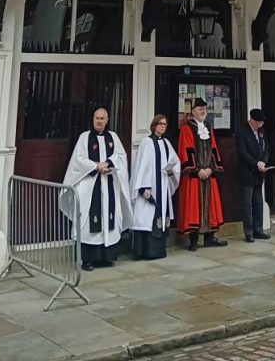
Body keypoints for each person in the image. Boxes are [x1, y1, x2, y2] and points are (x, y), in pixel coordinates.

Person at [62, 107, 133, 272]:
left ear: (107, 120)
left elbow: (121, 156)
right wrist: (95, 166)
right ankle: (87, 259)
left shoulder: (113, 137)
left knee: (108, 218)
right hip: (90, 184)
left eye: (102, 118)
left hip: (108, 183)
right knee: (88, 220)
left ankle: (106, 257)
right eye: (96, 118)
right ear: (93, 119)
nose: (99, 121)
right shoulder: (84, 137)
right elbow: (78, 159)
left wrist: (108, 163)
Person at [177, 97, 227, 250]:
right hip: (195, 176)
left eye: (204, 108)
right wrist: (197, 170)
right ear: (192, 112)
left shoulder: (208, 126)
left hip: (208, 173)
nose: (203, 111)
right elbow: (186, 150)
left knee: (210, 206)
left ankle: (209, 237)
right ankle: (193, 240)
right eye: (200, 109)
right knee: (194, 208)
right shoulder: (187, 128)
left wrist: (211, 168)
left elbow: (213, 149)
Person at [129, 115, 181, 260]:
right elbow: (142, 165)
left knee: (159, 217)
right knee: (145, 217)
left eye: (165, 124)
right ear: (154, 125)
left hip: (162, 186)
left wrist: (171, 171)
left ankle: (157, 251)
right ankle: (142, 251)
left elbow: (175, 162)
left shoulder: (166, 143)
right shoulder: (147, 142)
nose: (163, 126)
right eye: (160, 124)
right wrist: (144, 187)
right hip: (149, 187)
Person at [237, 108, 272, 243]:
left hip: (259, 173)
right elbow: (242, 152)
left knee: (258, 202)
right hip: (247, 172)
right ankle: (249, 232)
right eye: (259, 122)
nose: (261, 125)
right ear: (252, 120)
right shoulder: (242, 132)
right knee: (247, 204)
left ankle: (259, 229)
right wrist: (255, 163)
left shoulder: (261, 132)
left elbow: (266, 148)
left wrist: (263, 161)